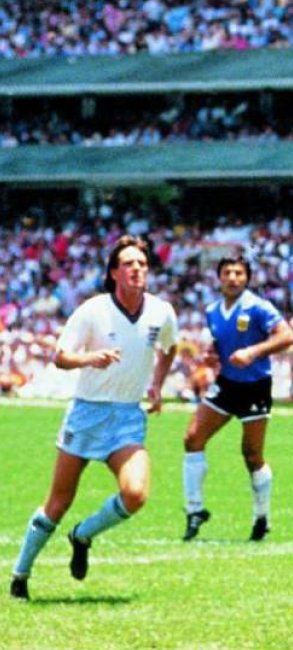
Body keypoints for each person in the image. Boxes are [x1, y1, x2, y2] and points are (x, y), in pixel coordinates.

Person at [10, 235, 178, 601]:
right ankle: (20, 574)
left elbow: (171, 346)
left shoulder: (161, 312)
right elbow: (60, 356)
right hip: (87, 412)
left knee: (135, 494)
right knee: (58, 501)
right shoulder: (93, 310)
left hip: (128, 416)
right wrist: (90, 358)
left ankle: (83, 534)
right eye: (129, 264)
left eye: (142, 264)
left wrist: (157, 385)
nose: (137, 269)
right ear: (114, 272)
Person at [181, 255, 293, 542]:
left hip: (255, 386)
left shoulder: (258, 307)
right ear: (219, 278)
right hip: (227, 384)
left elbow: (287, 337)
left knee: (252, 455)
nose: (233, 277)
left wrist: (253, 352)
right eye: (227, 272)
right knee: (192, 438)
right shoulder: (213, 311)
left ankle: (262, 517)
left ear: (247, 278)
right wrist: (212, 355)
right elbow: (221, 344)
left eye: (239, 273)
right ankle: (195, 511)